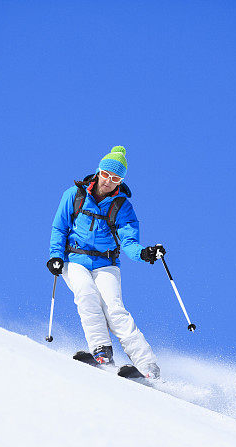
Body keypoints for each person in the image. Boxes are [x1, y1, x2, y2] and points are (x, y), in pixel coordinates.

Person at [47, 146, 164, 379]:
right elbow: (60, 227)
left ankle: (148, 366)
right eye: (106, 175)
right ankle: (101, 351)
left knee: (115, 309)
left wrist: (144, 253)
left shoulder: (122, 207)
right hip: (75, 258)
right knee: (86, 294)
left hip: (105, 263)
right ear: (99, 171)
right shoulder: (74, 195)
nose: (109, 182)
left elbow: (129, 242)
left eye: (116, 178)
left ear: (121, 180)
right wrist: (55, 256)